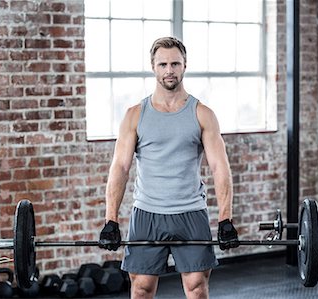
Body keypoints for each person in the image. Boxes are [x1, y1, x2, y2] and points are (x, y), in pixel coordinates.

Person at [98, 36, 240, 299]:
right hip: (147, 213)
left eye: (175, 63)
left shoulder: (202, 114)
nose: (169, 70)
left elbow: (220, 168)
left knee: (197, 288)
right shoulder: (135, 115)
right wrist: (111, 219)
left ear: (185, 65)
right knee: (141, 288)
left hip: (190, 212)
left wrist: (225, 218)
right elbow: (120, 167)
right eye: (163, 64)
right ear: (153, 67)